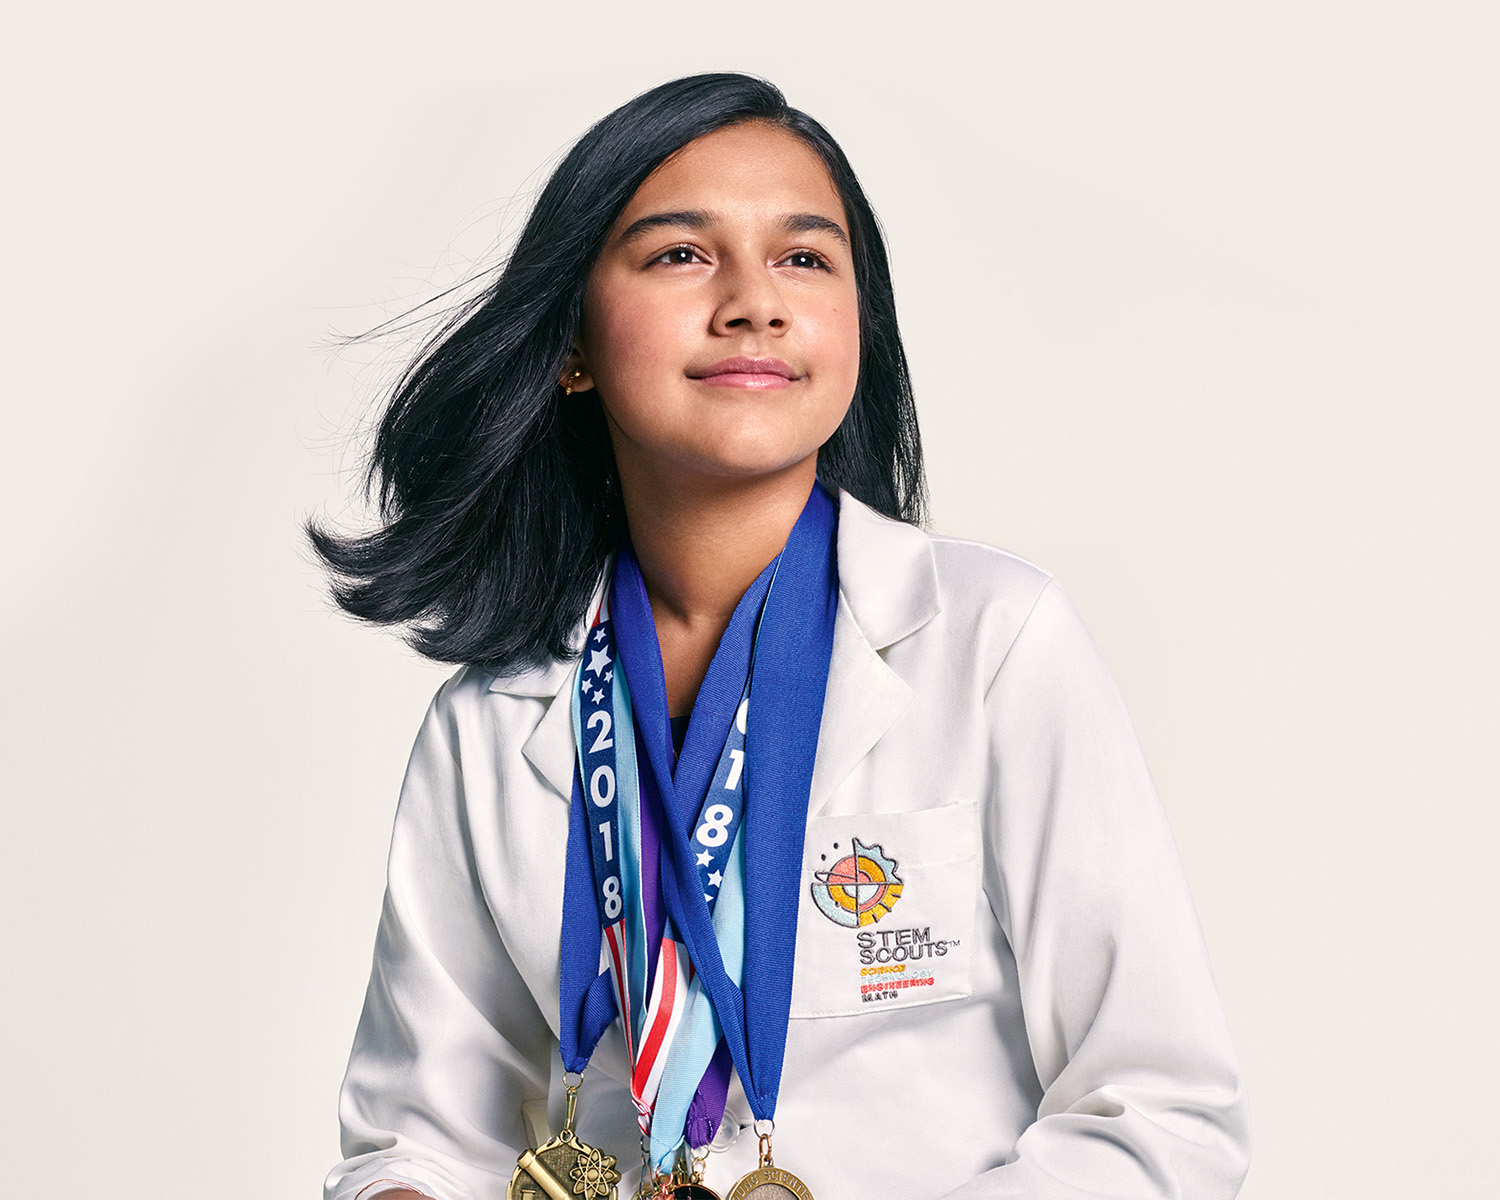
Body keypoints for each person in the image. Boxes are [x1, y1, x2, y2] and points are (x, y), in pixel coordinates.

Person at [310, 73, 1250, 1200]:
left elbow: (1161, 1118)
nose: (755, 301)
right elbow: (415, 1139)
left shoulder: (994, 644)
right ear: (572, 345)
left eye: (805, 258)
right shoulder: (490, 717)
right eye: (679, 255)